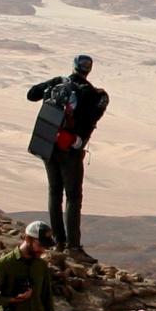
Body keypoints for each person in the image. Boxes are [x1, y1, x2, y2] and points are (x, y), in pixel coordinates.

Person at [26, 54, 108, 255]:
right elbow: (91, 119)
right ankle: (73, 246)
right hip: (70, 149)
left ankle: (58, 242)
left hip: (47, 144)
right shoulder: (93, 94)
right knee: (73, 197)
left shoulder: (58, 82)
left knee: (54, 192)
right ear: (88, 70)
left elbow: (31, 94)